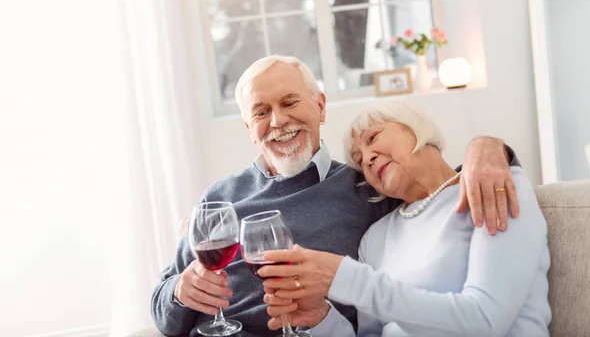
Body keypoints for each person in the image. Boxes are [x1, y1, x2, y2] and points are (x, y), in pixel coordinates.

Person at [151, 56, 522, 337]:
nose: (278, 121)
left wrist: (490, 147)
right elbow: (163, 309)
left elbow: (436, 188)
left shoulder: (366, 188)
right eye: (262, 112)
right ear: (250, 128)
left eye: (290, 102)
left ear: (321, 107)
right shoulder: (220, 197)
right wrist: (179, 293)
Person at [259, 101, 551, 336]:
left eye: (373, 138)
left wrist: (345, 277)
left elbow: (486, 320)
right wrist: (321, 319)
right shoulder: (376, 237)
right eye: (360, 161)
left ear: (415, 128)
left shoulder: (492, 184)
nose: (369, 158)